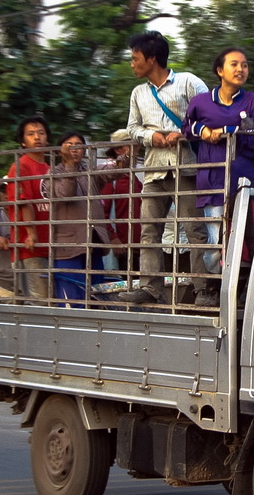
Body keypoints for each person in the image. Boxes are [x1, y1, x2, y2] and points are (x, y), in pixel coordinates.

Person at [118, 31, 211, 307]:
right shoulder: (138, 93)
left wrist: (181, 134)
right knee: (149, 230)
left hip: (186, 167)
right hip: (154, 169)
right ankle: (150, 287)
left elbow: (210, 115)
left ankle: (203, 289)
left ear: (152, 58)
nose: (132, 64)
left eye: (136, 59)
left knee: (195, 230)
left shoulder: (188, 82)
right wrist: (151, 138)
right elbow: (132, 128)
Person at [185, 47, 254, 279]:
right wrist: (203, 130)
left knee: (251, 237)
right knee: (217, 239)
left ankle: (245, 287)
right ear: (220, 70)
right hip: (213, 181)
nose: (241, 69)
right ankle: (216, 285)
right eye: (234, 64)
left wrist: (226, 131)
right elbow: (187, 128)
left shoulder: (253, 101)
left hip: (247, 180)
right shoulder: (201, 102)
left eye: (244, 65)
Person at [40, 130, 115, 307]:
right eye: (69, 145)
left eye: (79, 146)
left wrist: (124, 158)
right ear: (60, 150)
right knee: (73, 303)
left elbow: (113, 172)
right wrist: (70, 167)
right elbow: (66, 193)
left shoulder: (90, 171)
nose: (74, 149)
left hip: (92, 242)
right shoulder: (52, 174)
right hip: (68, 248)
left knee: (97, 298)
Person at [6, 116, 51, 303]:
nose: (37, 137)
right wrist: (31, 233)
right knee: (39, 302)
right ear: (23, 142)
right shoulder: (20, 166)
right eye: (31, 134)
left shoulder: (49, 167)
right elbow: (22, 201)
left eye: (41, 133)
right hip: (30, 247)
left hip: (49, 244)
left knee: (49, 299)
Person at [99, 129, 141, 271]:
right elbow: (101, 211)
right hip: (122, 247)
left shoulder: (134, 177)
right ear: (118, 150)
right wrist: (113, 238)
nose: (137, 150)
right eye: (132, 146)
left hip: (138, 245)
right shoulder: (110, 177)